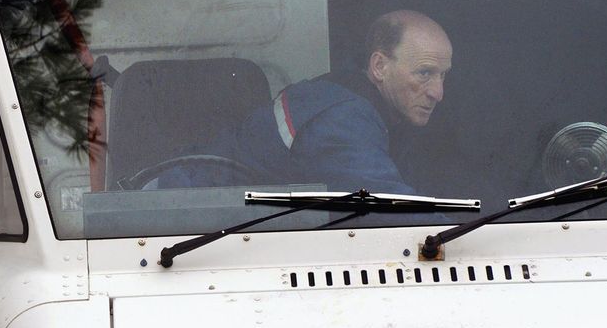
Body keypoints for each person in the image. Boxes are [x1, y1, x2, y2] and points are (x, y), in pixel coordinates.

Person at [157, 10, 453, 193]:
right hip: (172, 221)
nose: (437, 93)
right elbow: (401, 218)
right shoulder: (343, 118)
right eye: (424, 73)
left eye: (443, 76)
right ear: (379, 67)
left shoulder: (351, 101)